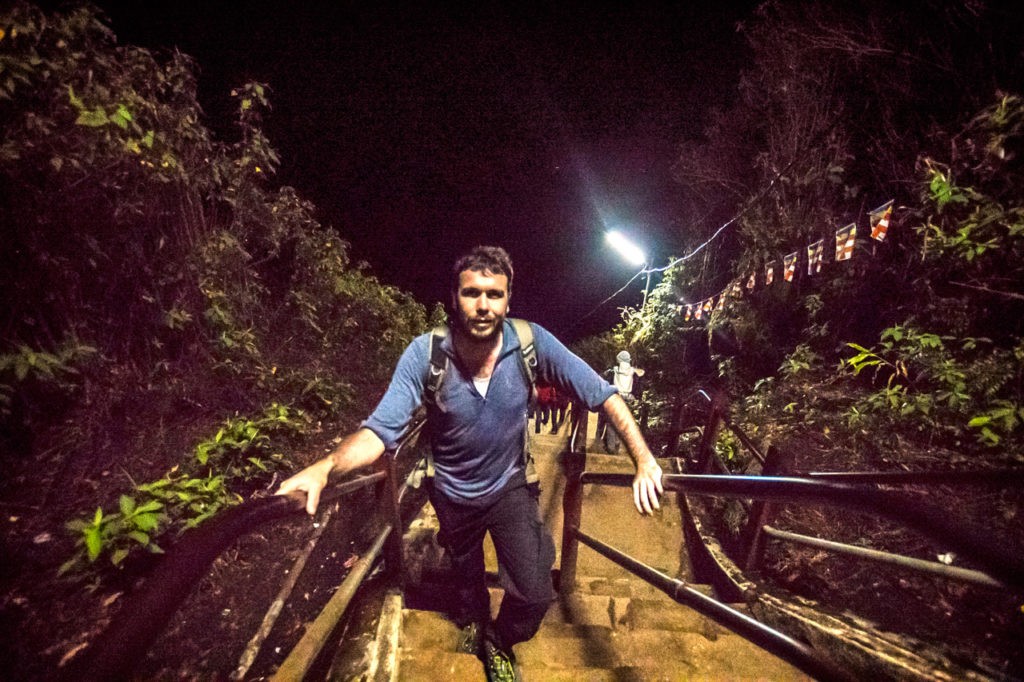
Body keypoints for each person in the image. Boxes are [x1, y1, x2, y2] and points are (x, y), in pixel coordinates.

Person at [276, 246, 663, 682]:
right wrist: (325, 468)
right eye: (471, 293)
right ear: (454, 297)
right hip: (452, 493)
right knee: (467, 573)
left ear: (508, 299)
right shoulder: (426, 355)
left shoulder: (532, 342)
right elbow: (380, 431)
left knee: (536, 592)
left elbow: (602, 393)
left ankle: (500, 639)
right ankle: (476, 620)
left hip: (509, 487)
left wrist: (644, 460)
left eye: (494, 294)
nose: (483, 305)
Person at [597, 350, 645, 454]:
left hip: (616, 396)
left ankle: (610, 447)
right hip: (628, 398)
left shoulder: (614, 370)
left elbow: (602, 377)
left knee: (611, 421)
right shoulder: (633, 371)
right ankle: (618, 444)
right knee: (622, 421)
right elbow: (641, 375)